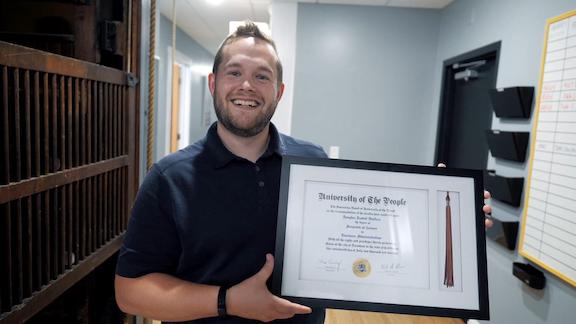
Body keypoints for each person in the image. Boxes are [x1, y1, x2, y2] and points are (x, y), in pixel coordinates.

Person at [115, 22, 493, 323]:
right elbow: (130, 292)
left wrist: (447, 223)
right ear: (214, 83)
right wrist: (227, 302)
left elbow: (366, 234)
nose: (247, 86)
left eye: (262, 76)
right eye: (234, 73)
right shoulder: (168, 178)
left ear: (279, 91)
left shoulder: (313, 164)